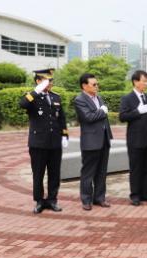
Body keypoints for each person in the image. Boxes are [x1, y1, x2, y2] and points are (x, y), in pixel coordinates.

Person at [19, 68, 68, 214]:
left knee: (54, 174)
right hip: (38, 143)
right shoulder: (32, 96)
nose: (50, 83)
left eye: (51, 80)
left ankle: (52, 200)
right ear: (38, 81)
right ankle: (39, 201)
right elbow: (22, 104)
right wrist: (36, 91)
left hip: (55, 143)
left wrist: (64, 135)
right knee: (38, 174)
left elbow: (61, 118)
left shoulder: (56, 97)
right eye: (46, 81)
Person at [119, 70, 147, 206]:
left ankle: (146, 193)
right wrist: (137, 111)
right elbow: (122, 117)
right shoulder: (127, 98)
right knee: (136, 168)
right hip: (136, 139)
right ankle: (135, 195)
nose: (146, 84)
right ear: (135, 82)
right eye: (144, 81)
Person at [74, 73, 113, 211]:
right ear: (84, 86)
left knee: (101, 172)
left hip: (104, 139)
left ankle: (99, 198)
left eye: (97, 84)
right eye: (94, 84)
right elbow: (88, 117)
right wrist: (102, 111)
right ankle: (86, 200)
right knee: (88, 172)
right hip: (90, 141)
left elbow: (102, 119)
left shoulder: (99, 97)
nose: (97, 86)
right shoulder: (79, 99)